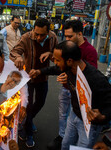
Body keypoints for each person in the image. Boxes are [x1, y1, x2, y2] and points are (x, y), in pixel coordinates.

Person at [31, 40, 111, 150]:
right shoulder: (70, 69)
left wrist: (103, 116)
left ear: (69, 61)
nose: (56, 63)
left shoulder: (96, 79)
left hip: (89, 125)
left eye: (58, 60)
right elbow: (55, 69)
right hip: (74, 114)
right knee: (65, 145)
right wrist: (39, 72)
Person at [47, 19, 98, 150]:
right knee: (65, 115)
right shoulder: (66, 47)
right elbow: (59, 66)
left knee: (80, 123)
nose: (67, 39)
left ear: (80, 34)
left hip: (81, 94)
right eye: (66, 36)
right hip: (66, 88)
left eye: (70, 36)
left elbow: (89, 76)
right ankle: (62, 136)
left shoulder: (90, 51)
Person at [10, 17, 58, 147]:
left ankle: (27, 121)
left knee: (41, 102)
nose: (38, 37)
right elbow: (14, 51)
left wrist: (50, 53)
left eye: (42, 35)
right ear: (33, 30)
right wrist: (19, 57)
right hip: (28, 78)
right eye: (36, 34)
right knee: (28, 106)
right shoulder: (26, 37)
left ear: (48, 32)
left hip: (43, 77)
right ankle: (29, 132)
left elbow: (58, 56)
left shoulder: (53, 38)